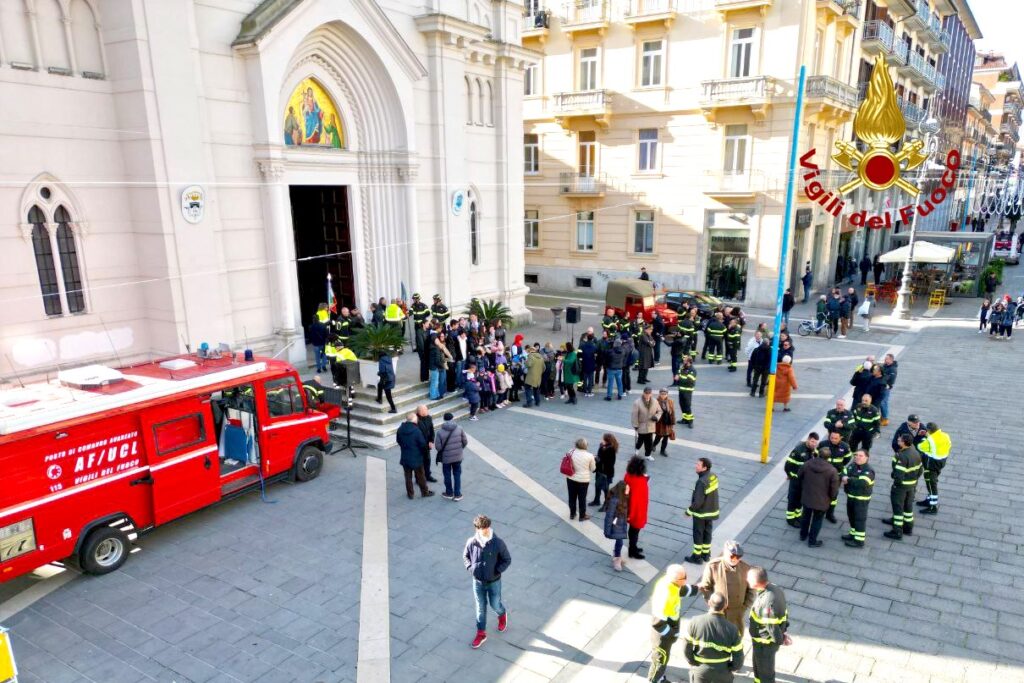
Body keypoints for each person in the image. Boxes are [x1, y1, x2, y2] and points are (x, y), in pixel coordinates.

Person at [464, 515, 511, 649]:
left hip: (494, 581)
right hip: (477, 582)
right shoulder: (471, 542)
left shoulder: (497, 543)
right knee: (480, 607)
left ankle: (502, 614)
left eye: (487, 527)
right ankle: (481, 633)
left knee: (495, 604)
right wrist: (471, 568)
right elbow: (465, 556)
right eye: (483, 528)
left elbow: (507, 559)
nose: (485, 530)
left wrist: (497, 570)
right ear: (477, 528)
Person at [649, 564, 701, 683]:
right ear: (676, 580)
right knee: (660, 658)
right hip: (662, 636)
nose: (686, 578)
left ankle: (660, 677)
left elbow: (680, 590)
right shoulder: (665, 595)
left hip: (669, 630)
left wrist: (696, 588)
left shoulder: (671, 583)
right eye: (684, 577)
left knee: (664, 657)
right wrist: (672, 634)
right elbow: (657, 623)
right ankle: (655, 679)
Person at [698, 541, 754, 637]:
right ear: (725, 553)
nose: (735, 559)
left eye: (738, 557)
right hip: (718, 612)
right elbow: (705, 587)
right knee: (716, 637)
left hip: (737, 613)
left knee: (735, 637)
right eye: (732, 556)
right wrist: (714, 604)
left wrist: (744, 607)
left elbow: (751, 590)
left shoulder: (746, 568)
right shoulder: (713, 566)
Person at [684, 593, 743, 683]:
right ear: (725, 606)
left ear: (708, 603)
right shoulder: (733, 629)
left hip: (700, 671)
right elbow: (738, 657)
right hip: (722, 673)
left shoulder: (694, 622)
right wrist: (731, 668)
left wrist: (693, 662)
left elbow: (686, 647)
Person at [747, 566, 791, 683]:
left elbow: (772, 627)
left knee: (765, 672)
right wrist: (784, 632)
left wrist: (781, 640)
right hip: (760, 643)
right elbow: (784, 614)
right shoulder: (775, 589)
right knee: (758, 667)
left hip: (764, 645)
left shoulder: (766, 604)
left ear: (755, 583)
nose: (747, 580)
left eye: (749, 579)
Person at [883, 434, 923, 540]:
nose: (898, 441)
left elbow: (899, 475)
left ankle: (897, 531)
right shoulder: (916, 453)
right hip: (912, 485)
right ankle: (908, 528)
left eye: (899, 440)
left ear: (904, 442)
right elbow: (920, 470)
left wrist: (896, 483)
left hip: (901, 487)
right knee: (908, 507)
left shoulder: (902, 456)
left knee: (898, 508)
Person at [797, 448, 839, 548]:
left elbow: (799, 476)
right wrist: (832, 498)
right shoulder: (832, 470)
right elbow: (834, 489)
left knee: (805, 516)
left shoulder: (807, 464)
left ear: (818, 454)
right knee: (817, 520)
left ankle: (803, 535)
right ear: (829, 457)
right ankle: (812, 541)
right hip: (822, 501)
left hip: (807, 497)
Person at [684, 458, 719, 564]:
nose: (696, 466)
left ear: (704, 468)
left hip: (701, 513)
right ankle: (706, 554)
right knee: (707, 533)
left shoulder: (701, 481)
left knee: (698, 534)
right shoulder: (713, 476)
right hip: (711, 511)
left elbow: (698, 501)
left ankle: (697, 557)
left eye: (698, 465)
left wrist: (688, 511)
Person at [842, 449, 875, 548]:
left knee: (859, 519)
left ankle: (859, 541)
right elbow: (844, 471)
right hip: (851, 496)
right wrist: (845, 477)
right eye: (856, 455)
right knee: (851, 516)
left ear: (866, 457)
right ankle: (853, 533)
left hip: (861, 499)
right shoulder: (852, 465)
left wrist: (848, 479)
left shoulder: (868, 470)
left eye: (860, 455)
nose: (857, 457)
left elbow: (862, 483)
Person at [785, 433, 819, 526]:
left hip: (805, 481)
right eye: (812, 442)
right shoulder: (798, 450)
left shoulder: (813, 451)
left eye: (815, 443)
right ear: (808, 439)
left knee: (801, 498)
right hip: (796, 480)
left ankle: (797, 515)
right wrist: (792, 476)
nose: (814, 444)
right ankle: (790, 518)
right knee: (793, 499)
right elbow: (788, 465)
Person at [396, 414, 433, 500]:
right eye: (416, 419)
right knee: (421, 476)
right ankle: (425, 492)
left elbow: (398, 441)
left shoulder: (400, 429)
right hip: (417, 458)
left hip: (405, 457)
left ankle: (410, 494)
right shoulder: (417, 431)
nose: (417, 421)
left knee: (408, 477)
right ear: (413, 420)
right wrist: (424, 453)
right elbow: (422, 444)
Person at [917, 422, 951, 514]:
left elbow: (920, 447)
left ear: (929, 431)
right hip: (941, 462)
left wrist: (924, 438)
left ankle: (933, 507)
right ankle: (929, 500)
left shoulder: (930, 440)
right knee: (932, 481)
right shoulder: (945, 435)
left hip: (931, 464)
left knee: (931, 484)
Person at [435, 412, 467, 501]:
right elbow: (465, 441)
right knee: (457, 474)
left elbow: (438, 447)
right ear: (453, 418)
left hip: (446, 458)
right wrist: (459, 449)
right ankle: (458, 494)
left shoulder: (440, 432)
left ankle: (449, 493)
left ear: (444, 419)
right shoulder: (459, 428)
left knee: (447, 475)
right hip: (458, 457)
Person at [624, 456, 650, 559]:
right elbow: (636, 498)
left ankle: (633, 547)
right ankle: (632, 550)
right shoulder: (640, 480)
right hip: (637, 509)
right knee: (635, 531)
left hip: (630, 507)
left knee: (633, 531)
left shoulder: (628, 475)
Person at [565, 438, 596, 521]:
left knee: (572, 497)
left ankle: (572, 514)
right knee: (582, 498)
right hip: (583, 481)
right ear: (586, 446)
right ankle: (582, 516)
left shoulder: (571, 452)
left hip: (571, 478)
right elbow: (593, 469)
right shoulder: (589, 456)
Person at [604, 480, 630, 571]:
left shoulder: (625, 497)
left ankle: (617, 555)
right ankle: (617, 558)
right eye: (627, 488)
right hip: (616, 525)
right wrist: (607, 530)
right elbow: (609, 516)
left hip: (622, 524)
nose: (628, 490)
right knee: (620, 542)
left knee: (620, 541)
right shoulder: (614, 500)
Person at [632, 387, 663, 460]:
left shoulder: (655, 401)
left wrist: (656, 417)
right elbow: (634, 415)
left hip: (651, 425)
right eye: (646, 393)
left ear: (651, 394)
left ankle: (648, 455)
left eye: (649, 393)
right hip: (641, 425)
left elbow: (660, 411)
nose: (648, 395)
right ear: (643, 393)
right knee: (640, 439)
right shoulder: (637, 402)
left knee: (649, 441)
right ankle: (637, 449)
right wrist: (635, 425)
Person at [591, 433, 618, 510]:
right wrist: (597, 457)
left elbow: (609, 463)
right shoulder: (603, 446)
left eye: (603, 439)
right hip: (599, 471)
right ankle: (596, 500)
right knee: (597, 486)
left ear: (607, 440)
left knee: (605, 489)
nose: (601, 440)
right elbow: (600, 457)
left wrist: (597, 459)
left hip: (606, 473)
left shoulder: (611, 450)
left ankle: (606, 504)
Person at [415, 405, 437, 483]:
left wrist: (431, 441)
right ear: (420, 411)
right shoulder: (415, 420)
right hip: (418, 446)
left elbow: (431, 430)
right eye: (426, 410)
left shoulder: (429, 418)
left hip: (427, 445)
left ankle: (427, 475)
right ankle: (419, 479)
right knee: (419, 463)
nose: (427, 411)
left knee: (427, 460)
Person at [673, 356, 697, 427]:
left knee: (687, 405)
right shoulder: (683, 368)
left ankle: (690, 421)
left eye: (685, 361)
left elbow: (689, 381)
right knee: (682, 405)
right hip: (681, 390)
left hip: (687, 391)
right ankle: (685, 419)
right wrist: (677, 375)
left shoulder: (692, 370)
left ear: (689, 362)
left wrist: (679, 378)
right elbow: (678, 372)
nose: (683, 362)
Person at [652, 389, 676, 457]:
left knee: (666, 438)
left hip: (668, 422)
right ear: (659, 394)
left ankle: (663, 450)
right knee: (658, 436)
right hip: (660, 423)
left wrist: (673, 422)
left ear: (667, 394)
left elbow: (673, 412)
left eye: (665, 394)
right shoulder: (656, 401)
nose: (663, 395)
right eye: (662, 394)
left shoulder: (670, 401)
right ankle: (653, 445)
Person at [310, 305, 330, 373]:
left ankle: (318, 368)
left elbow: (310, 336)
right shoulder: (323, 325)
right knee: (324, 355)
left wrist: (312, 342)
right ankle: (324, 366)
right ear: (318, 318)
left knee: (317, 356)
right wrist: (326, 341)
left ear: (313, 319)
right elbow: (326, 334)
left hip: (315, 344)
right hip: (323, 342)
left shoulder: (311, 327)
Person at [880, 354, 898, 426]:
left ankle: (885, 418)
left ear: (891, 360)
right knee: (882, 402)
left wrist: (888, 385)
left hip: (886, 387)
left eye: (887, 359)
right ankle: (883, 417)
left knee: (883, 402)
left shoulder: (893, 369)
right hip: (882, 386)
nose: (885, 360)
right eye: (885, 358)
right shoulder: (885, 365)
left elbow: (891, 379)